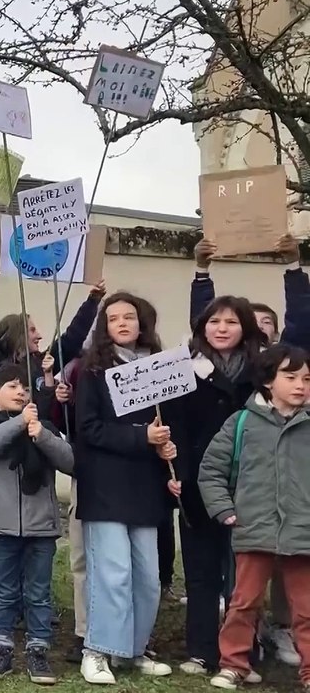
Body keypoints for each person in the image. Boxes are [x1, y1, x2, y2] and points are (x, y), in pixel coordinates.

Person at [72, 292, 173, 684]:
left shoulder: (160, 369)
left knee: (147, 577)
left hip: (146, 487)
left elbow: (167, 423)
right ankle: (96, 651)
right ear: (104, 328)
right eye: (113, 319)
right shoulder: (92, 371)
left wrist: (166, 442)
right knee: (112, 574)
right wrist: (140, 437)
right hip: (106, 486)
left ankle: (133, 649)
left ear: (141, 322)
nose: (123, 324)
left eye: (129, 317)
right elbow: (89, 429)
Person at [160, 295, 264, 676]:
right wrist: (176, 475)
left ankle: (243, 655)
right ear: (202, 326)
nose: (221, 329)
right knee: (201, 573)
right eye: (214, 321)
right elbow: (175, 427)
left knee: (243, 578)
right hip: (195, 485)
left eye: (231, 322)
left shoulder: (261, 373)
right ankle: (201, 651)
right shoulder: (183, 369)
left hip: (250, 488)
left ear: (246, 329)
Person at [198, 344, 310, 690]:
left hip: (303, 532)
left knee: (306, 610)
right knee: (243, 603)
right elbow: (211, 470)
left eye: (307, 378)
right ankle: (234, 665)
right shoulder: (242, 423)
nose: (301, 385)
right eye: (290, 377)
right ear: (267, 382)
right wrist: (225, 511)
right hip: (253, 527)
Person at [0, 365, 73, 685]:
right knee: (4, 589)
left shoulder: (44, 427)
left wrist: (40, 434)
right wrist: (19, 422)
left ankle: (38, 651)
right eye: (13, 386)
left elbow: (69, 461)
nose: (20, 392)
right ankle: (1, 649)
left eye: (25, 388)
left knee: (39, 591)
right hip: (0, 525)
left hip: (40, 525)